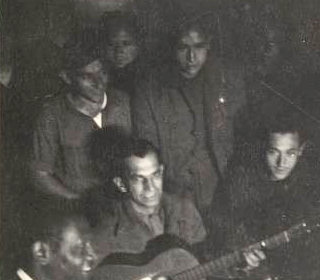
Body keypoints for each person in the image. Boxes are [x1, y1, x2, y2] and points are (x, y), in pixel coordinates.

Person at [90, 138, 264, 280]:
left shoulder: (183, 210)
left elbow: (202, 262)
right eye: (139, 179)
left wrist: (239, 264)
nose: (150, 187)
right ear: (121, 183)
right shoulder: (103, 232)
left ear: (161, 171)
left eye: (155, 175)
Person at [207, 110, 320, 280]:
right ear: (263, 149)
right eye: (274, 152)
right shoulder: (241, 180)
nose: (282, 163)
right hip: (246, 275)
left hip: (288, 277)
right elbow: (224, 227)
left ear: (301, 151)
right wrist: (252, 266)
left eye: (290, 153)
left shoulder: (308, 184)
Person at [132, 16, 248, 214]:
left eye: (199, 47)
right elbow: (147, 147)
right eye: (183, 48)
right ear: (171, 48)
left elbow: (243, 136)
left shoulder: (227, 80)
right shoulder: (149, 91)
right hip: (174, 193)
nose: (192, 57)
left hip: (222, 188)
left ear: (209, 45)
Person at [30, 29, 131, 200]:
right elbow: (40, 174)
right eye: (87, 76)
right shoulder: (52, 114)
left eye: (102, 73)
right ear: (67, 77)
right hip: (77, 208)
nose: (98, 83)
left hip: (122, 204)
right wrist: (78, 200)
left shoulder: (123, 102)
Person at [100, 11, 146, 100]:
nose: (119, 51)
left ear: (138, 45)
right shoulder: (99, 77)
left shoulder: (147, 79)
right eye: (111, 44)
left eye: (126, 44)